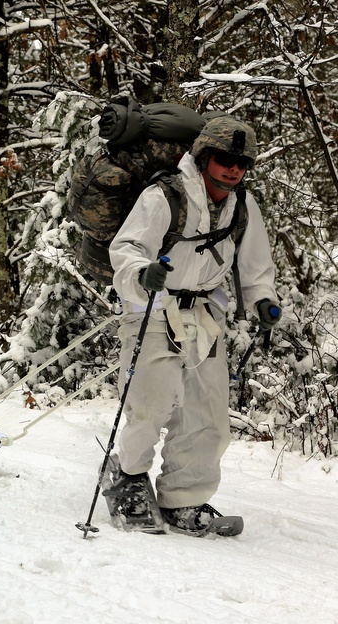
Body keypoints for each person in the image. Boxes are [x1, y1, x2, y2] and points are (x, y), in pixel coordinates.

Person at [107, 116, 282, 534]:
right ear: (204, 156)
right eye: (225, 158)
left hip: (205, 314)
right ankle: (128, 480)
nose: (234, 169)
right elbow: (128, 246)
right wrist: (142, 273)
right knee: (151, 401)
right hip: (153, 304)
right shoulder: (165, 194)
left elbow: (255, 266)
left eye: (242, 162)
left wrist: (263, 301)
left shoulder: (243, 206)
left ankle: (184, 499)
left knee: (207, 412)